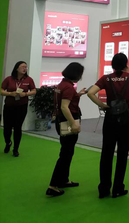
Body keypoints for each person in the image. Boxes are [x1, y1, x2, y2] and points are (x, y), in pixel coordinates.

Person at [88, 53, 129, 199]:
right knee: (122, 154)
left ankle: (104, 189)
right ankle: (118, 188)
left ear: (112, 64)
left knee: (106, 153)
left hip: (110, 118)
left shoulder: (106, 78)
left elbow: (91, 93)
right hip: (127, 119)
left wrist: (103, 105)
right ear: (126, 64)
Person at [47, 63, 86, 197]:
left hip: (61, 120)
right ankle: (53, 185)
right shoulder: (68, 87)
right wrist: (73, 124)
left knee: (67, 152)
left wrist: (78, 95)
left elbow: (64, 103)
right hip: (67, 121)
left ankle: (63, 180)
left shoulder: (62, 85)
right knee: (65, 154)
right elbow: (65, 107)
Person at [1, 61, 36, 157]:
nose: (25, 68)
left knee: (18, 127)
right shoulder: (9, 79)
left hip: (21, 107)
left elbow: (34, 91)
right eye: (23, 67)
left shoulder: (29, 79)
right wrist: (10, 93)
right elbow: (1, 90)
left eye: (26, 67)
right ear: (17, 68)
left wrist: (25, 94)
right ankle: (8, 142)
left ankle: (16, 149)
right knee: (7, 128)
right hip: (9, 106)